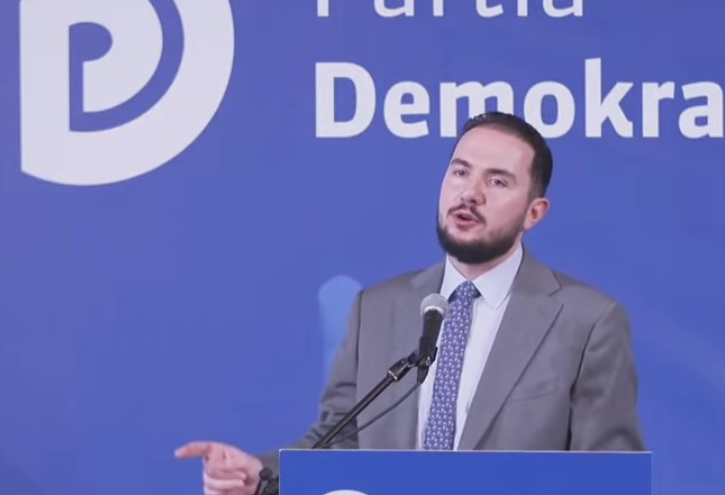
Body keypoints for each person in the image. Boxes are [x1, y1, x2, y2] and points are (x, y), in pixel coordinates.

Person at [175, 111, 645, 495]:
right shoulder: (377, 308)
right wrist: (262, 476)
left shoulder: (587, 322)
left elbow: (609, 480)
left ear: (533, 213)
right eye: (460, 171)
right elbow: (342, 441)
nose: (470, 193)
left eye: (498, 182)